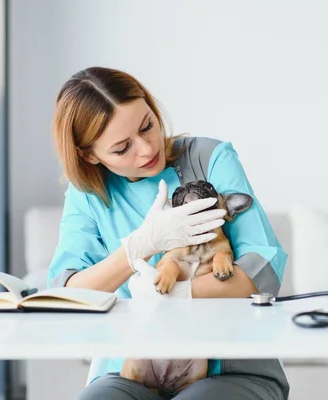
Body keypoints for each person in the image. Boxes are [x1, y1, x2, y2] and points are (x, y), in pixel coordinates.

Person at [48, 66, 290, 400]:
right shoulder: (88, 194)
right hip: (129, 367)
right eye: (122, 148)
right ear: (88, 155)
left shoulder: (209, 158)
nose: (147, 149)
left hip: (229, 367)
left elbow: (260, 268)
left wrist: (175, 295)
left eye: (147, 126)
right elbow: (68, 295)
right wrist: (139, 247)